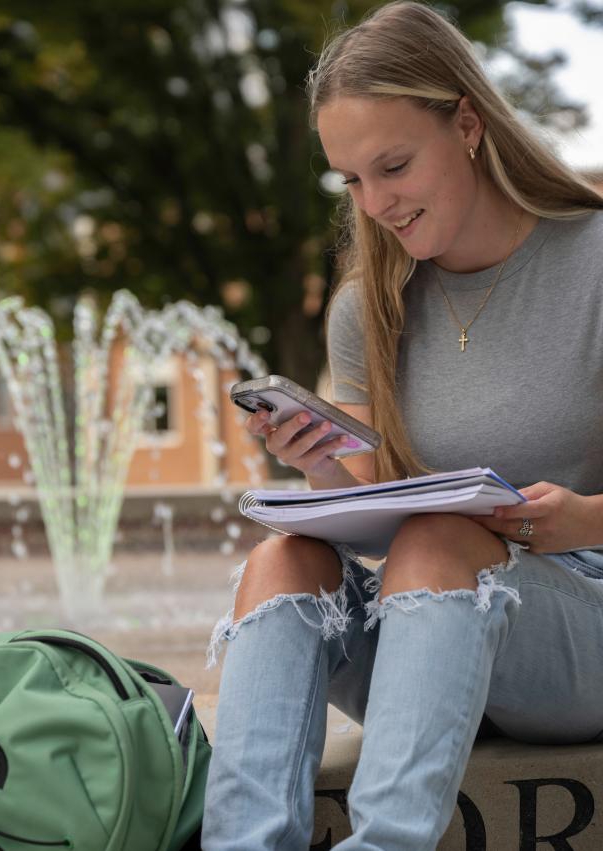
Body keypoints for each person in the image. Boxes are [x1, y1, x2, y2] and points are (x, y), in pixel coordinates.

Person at [200, 2, 603, 849]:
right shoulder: (368, 306)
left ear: (466, 123)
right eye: (351, 180)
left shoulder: (593, 261)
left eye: (393, 166)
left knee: (435, 541)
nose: (375, 203)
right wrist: (319, 468)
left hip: (582, 630)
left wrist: (583, 517)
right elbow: (375, 505)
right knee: (285, 556)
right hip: (435, 627)